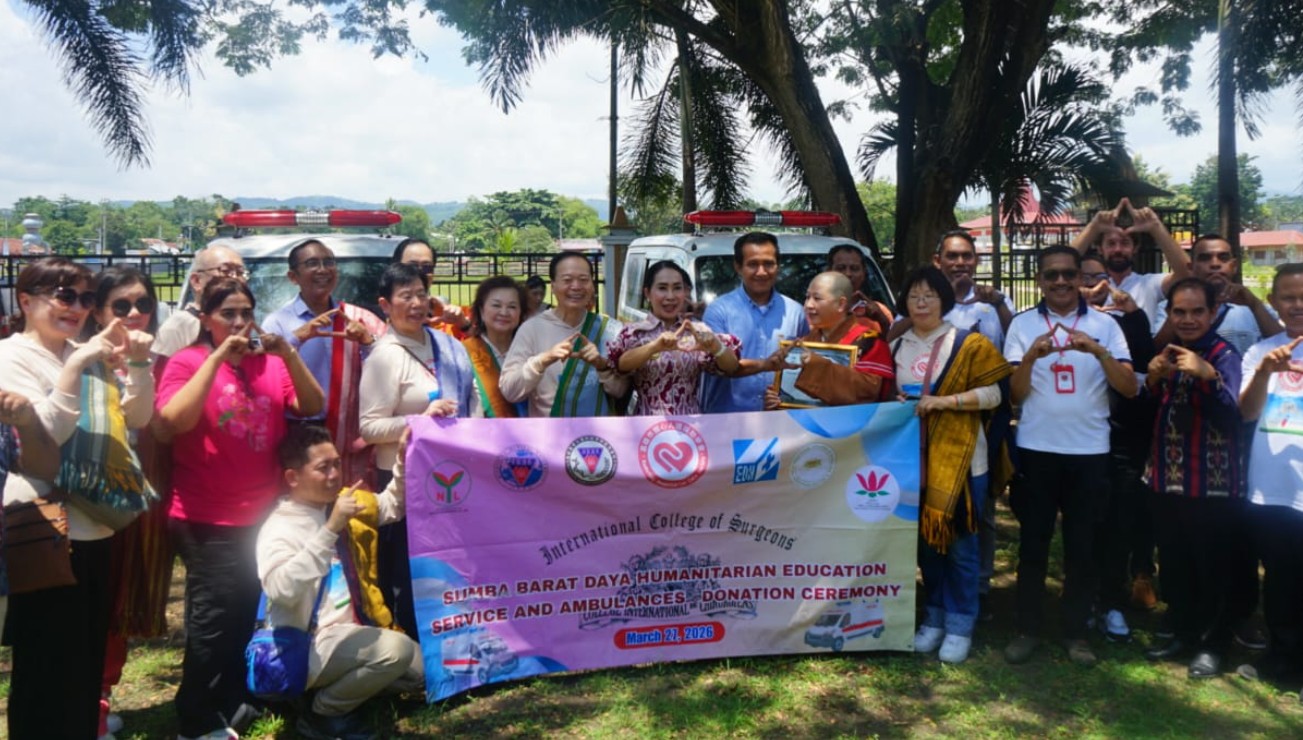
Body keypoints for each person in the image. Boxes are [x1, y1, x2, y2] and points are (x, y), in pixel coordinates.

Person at [155, 278, 323, 740]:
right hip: (206, 515)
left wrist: (289, 355)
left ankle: (232, 700)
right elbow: (171, 422)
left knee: (245, 610)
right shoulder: (186, 362)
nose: (239, 323)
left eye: (246, 313)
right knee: (212, 619)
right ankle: (195, 717)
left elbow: (312, 404)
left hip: (262, 514)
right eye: (227, 313)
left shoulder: (268, 362)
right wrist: (216, 360)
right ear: (205, 319)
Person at [0, 257, 154, 739]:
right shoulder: (11, 357)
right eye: (64, 296)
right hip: (44, 525)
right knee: (46, 666)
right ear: (26, 300)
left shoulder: (82, 351)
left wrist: (138, 365)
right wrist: (77, 365)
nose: (78, 307)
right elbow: (43, 437)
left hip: (96, 521)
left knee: (84, 662)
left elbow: (136, 419)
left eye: (86, 298)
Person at [1002, 245, 1137, 667]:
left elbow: (1129, 387)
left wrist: (1097, 351)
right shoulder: (1023, 324)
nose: (1060, 281)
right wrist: (1030, 357)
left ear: (1080, 277)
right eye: (1051, 275)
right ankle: (1027, 629)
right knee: (1033, 543)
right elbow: (1014, 395)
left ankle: (1076, 633)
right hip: (1037, 450)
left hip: (1090, 451)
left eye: (1068, 274)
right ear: (1039, 280)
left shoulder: (1106, 326)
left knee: (1083, 547)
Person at [259, 425, 423, 740]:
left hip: (351, 632)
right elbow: (281, 591)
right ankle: (323, 712)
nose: (334, 474)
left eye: (336, 464)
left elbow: (391, 505)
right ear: (293, 477)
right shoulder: (280, 527)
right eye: (323, 468)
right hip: (306, 643)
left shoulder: (342, 503)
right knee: (396, 651)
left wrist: (403, 457)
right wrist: (331, 529)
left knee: (419, 675)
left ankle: (339, 688)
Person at [889, 266, 1011, 664]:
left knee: (961, 546)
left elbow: (995, 395)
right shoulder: (897, 345)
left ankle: (961, 623)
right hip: (914, 462)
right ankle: (935, 615)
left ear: (945, 300)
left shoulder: (968, 343)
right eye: (914, 296)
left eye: (930, 295)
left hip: (963, 462)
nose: (921, 303)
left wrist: (946, 402)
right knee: (927, 546)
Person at [359, 262, 477, 639]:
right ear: (385, 304)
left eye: (421, 294)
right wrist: (420, 421)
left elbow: (472, 399)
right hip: (404, 482)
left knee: (450, 568)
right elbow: (369, 427)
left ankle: (452, 639)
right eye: (405, 296)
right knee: (409, 575)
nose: (416, 303)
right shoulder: (384, 356)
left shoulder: (448, 345)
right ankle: (411, 649)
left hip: (454, 475)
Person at [81, 267, 170, 740]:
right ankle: (88, 708)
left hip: (141, 500)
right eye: (121, 305)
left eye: (143, 303)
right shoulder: (81, 359)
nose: (135, 313)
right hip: (90, 503)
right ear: (98, 312)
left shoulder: (161, 360)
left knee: (120, 605)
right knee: (93, 606)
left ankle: (102, 697)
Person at [1141, 277, 1244, 679]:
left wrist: (1208, 376)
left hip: (1211, 483)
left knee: (1213, 565)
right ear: (1168, 314)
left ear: (1213, 312)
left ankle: (1212, 644)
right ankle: (1182, 633)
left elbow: (1235, 415)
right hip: (1167, 478)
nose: (1188, 319)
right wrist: (1152, 379)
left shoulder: (1225, 355)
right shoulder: (1168, 353)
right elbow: (1150, 408)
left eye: (1197, 311)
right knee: (1175, 561)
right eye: (1179, 312)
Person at [1078, 253, 1159, 641]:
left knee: (1118, 524)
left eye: (1100, 278)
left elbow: (1142, 369)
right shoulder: (1058, 322)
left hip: (1123, 439)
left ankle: (1111, 601)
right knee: (1082, 525)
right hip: (1076, 440)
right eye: (1084, 278)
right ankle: (1083, 599)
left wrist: (1133, 314)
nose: (1093, 286)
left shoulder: (1126, 322)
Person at [263, 240, 386, 486]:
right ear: (293, 277)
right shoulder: (277, 323)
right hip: (300, 429)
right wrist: (296, 339)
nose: (322, 270)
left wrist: (366, 341)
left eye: (328, 262)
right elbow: (268, 375)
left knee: (351, 501)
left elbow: (386, 366)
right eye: (312, 263)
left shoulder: (357, 319)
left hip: (351, 430)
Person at [1237, 263, 1303, 688]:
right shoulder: (1260, 352)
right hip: (1271, 489)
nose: (1297, 305)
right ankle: (1283, 659)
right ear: (1273, 301)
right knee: (1280, 580)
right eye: (1288, 297)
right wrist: (1265, 372)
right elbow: (1246, 412)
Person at [501, 252, 630, 417]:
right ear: (553, 286)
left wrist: (602, 366)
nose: (576, 286)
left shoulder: (610, 330)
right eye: (567, 280)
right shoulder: (532, 329)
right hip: (548, 431)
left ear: (592, 285)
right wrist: (543, 360)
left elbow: (621, 392)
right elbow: (510, 391)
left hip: (596, 432)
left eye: (583, 280)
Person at [609, 261, 741, 415]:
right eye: (662, 288)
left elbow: (732, 367)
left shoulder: (697, 330)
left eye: (677, 288)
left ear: (685, 292)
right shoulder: (635, 332)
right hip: (648, 423)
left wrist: (715, 346)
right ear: (647, 293)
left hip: (690, 423)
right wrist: (654, 347)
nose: (670, 296)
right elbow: (620, 364)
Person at [702, 232, 808, 413]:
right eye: (753, 264)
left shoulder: (796, 313)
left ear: (778, 266)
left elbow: (803, 365)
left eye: (768, 264)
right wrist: (766, 364)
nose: (761, 272)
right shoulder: (719, 312)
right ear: (738, 267)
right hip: (727, 421)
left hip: (781, 420)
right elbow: (718, 365)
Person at [761, 271, 894, 408]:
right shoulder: (804, 340)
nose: (808, 305)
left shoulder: (868, 341)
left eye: (817, 298)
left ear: (841, 304)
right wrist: (777, 399)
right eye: (807, 297)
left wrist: (815, 366)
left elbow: (868, 392)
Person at [1070, 197, 1192, 331]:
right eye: (1111, 243)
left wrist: (1156, 227)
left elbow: (1187, 275)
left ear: (1135, 248)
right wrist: (1094, 228)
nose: (1118, 249)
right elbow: (1058, 264)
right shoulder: (1088, 286)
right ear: (1100, 248)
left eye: (1125, 243)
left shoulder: (1149, 284)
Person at [1154, 234, 1281, 355]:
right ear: (1191, 267)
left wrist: (1254, 305)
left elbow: (1284, 345)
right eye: (1205, 258)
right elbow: (1154, 351)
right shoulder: (1169, 307)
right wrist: (1180, 310)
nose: (1215, 264)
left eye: (1223, 258)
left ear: (1234, 266)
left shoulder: (1256, 308)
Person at [155, 245, 247, 359]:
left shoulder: (245, 321)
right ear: (197, 281)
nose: (235, 278)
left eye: (240, 272)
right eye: (225, 271)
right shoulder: (177, 328)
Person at [463, 275, 530, 418]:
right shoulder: (464, 352)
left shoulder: (530, 351)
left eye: (512, 307)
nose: (504, 312)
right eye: (496, 305)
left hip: (527, 431)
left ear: (521, 313)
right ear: (481, 311)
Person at [392, 237, 473, 337]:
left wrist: (464, 325)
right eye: (412, 266)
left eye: (427, 267)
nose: (420, 273)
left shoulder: (450, 318)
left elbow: (482, 345)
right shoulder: (379, 319)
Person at [826, 244, 894, 334]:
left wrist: (883, 321)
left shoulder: (879, 311)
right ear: (828, 271)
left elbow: (892, 342)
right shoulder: (816, 308)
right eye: (841, 268)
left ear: (864, 273)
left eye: (854, 269)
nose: (848, 274)